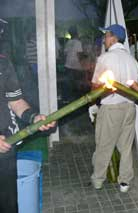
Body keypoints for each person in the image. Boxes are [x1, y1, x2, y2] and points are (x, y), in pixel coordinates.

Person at [0, 18, 56, 213]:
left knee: (8, 204)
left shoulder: (3, 63)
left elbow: (15, 101)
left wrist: (33, 117)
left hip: (6, 149)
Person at [91, 24, 138, 193]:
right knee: (125, 147)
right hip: (130, 107)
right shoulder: (132, 60)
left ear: (113, 37)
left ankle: (98, 179)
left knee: (104, 144)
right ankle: (125, 181)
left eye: (106, 36)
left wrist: (92, 104)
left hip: (111, 106)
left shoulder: (106, 58)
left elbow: (96, 85)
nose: (104, 39)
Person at [64, 26, 83, 101]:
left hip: (68, 65)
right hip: (76, 66)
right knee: (76, 84)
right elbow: (79, 55)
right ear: (76, 33)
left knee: (69, 84)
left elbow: (65, 53)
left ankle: (68, 99)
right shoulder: (78, 42)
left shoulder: (68, 42)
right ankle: (76, 100)